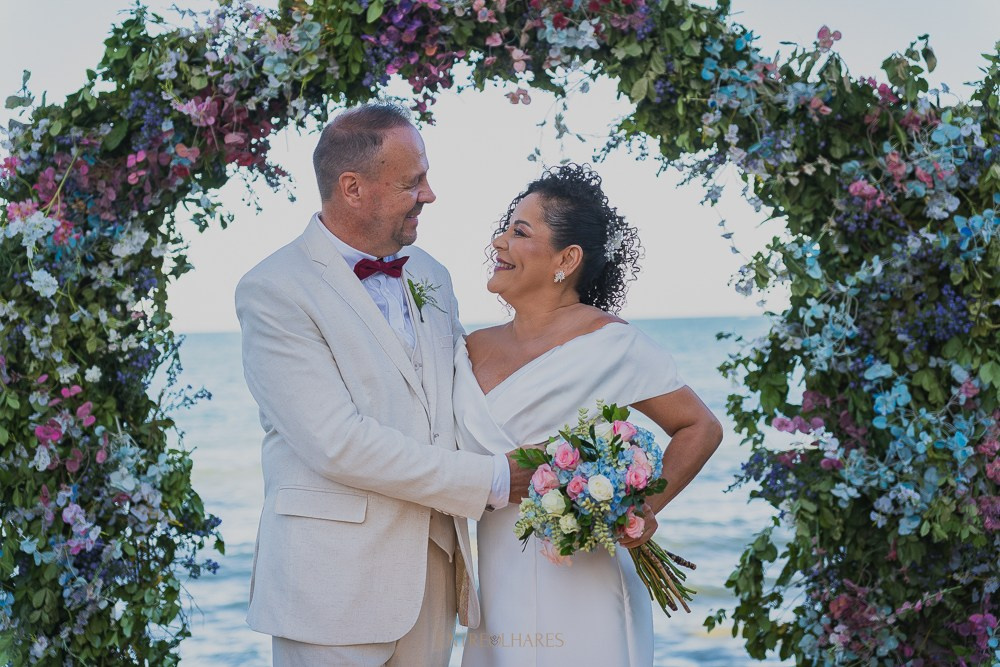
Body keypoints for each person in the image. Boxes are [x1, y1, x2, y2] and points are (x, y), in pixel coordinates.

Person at [235, 103, 533, 667]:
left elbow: (459, 400)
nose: (430, 194)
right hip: (330, 589)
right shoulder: (273, 290)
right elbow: (337, 443)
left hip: (434, 579)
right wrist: (493, 478)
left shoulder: (431, 275)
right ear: (352, 188)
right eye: (412, 182)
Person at [454, 164, 724, 666]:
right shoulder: (468, 348)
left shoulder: (612, 343)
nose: (498, 241)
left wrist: (641, 509)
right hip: (495, 582)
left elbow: (700, 426)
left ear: (567, 258)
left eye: (520, 231)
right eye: (505, 227)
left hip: (584, 579)